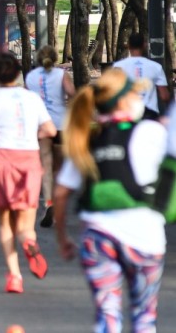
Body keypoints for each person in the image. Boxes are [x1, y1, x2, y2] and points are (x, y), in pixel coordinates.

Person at [53, 68, 167, 332]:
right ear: (126, 100)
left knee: (107, 314)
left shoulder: (86, 139)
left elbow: (60, 194)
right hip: (145, 238)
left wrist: (63, 238)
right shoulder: (151, 132)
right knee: (144, 315)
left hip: (98, 237)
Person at [0, 52, 57, 294]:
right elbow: (50, 130)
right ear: (19, 73)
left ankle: (14, 276)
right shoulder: (32, 99)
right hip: (29, 160)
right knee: (25, 223)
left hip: (3, 160)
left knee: (5, 223)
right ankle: (30, 242)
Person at [24, 45, 75, 228]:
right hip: (60, 125)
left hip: (41, 126)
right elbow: (72, 94)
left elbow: (26, 100)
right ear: (55, 58)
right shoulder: (61, 75)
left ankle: (48, 203)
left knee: (45, 166)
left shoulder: (30, 77)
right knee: (59, 168)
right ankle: (59, 203)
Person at [113, 31, 170, 120]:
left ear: (128, 45)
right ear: (144, 45)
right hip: (150, 115)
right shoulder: (156, 67)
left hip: (127, 114)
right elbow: (164, 96)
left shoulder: (118, 67)